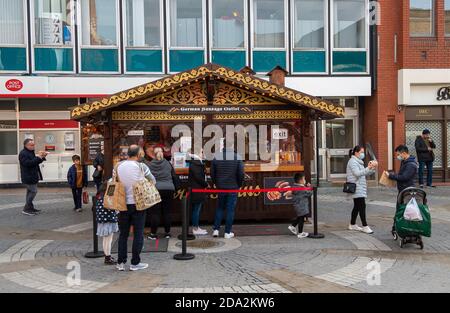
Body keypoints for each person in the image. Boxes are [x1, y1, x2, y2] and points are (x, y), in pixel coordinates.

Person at [116, 145, 156, 272]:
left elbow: (113, 180)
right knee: (138, 233)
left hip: (122, 204)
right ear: (138, 154)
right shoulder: (141, 166)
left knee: (123, 234)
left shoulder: (118, 166)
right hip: (138, 204)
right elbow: (153, 180)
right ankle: (135, 263)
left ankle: (120, 262)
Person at [211, 142, 245, 239]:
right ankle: (227, 232)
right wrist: (239, 185)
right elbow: (241, 173)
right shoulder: (237, 157)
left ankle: (216, 230)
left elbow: (212, 173)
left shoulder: (217, 157)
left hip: (221, 187)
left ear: (223, 146)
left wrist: (216, 183)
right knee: (230, 210)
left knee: (219, 208)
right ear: (232, 146)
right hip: (233, 187)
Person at [146, 147, 179, 240]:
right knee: (167, 211)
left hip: (155, 190)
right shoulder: (168, 164)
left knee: (155, 212)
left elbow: (147, 178)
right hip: (169, 189)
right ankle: (167, 233)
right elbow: (174, 176)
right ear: (163, 154)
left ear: (154, 154)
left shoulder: (150, 164)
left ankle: (153, 233)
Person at [384, 145, 418, 232]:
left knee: (403, 210)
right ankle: (398, 228)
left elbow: (404, 177)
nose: (398, 156)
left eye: (399, 154)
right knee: (400, 209)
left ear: (404, 153)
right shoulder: (405, 161)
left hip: (407, 192)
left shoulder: (411, 165)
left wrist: (391, 176)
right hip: (403, 190)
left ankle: (401, 229)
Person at [346, 145, 378, 234]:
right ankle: (365, 226)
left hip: (360, 187)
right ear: (356, 153)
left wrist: (372, 168)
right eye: (361, 152)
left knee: (357, 206)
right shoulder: (352, 161)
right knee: (362, 206)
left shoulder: (358, 161)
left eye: (363, 152)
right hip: (357, 187)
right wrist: (368, 168)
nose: (363, 154)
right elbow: (357, 173)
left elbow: (363, 173)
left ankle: (352, 224)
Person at [18, 139, 47, 216]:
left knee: (30, 192)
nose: (33, 146)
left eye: (33, 144)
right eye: (31, 145)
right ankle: (26, 209)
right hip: (28, 176)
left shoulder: (30, 152)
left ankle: (30, 208)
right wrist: (39, 157)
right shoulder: (23, 153)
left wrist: (42, 157)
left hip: (32, 175)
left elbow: (35, 162)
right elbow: (28, 163)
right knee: (33, 191)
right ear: (26, 145)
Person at [95, 183, 118, 265]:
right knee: (109, 240)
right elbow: (113, 207)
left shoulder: (99, 196)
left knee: (105, 240)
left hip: (102, 220)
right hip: (108, 220)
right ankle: (108, 258)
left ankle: (107, 256)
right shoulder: (108, 196)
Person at [188, 150, 209, 236]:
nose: (203, 153)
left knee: (197, 209)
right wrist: (206, 184)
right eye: (201, 152)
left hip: (197, 189)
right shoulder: (196, 163)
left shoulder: (197, 162)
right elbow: (198, 178)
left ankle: (196, 227)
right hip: (197, 189)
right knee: (196, 209)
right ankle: (195, 228)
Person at [286, 173, 313, 239]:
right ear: (301, 181)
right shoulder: (302, 188)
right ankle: (300, 233)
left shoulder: (295, 187)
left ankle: (292, 226)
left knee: (300, 217)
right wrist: (310, 188)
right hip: (302, 206)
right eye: (304, 179)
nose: (305, 180)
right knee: (301, 219)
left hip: (298, 206)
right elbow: (309, 194)